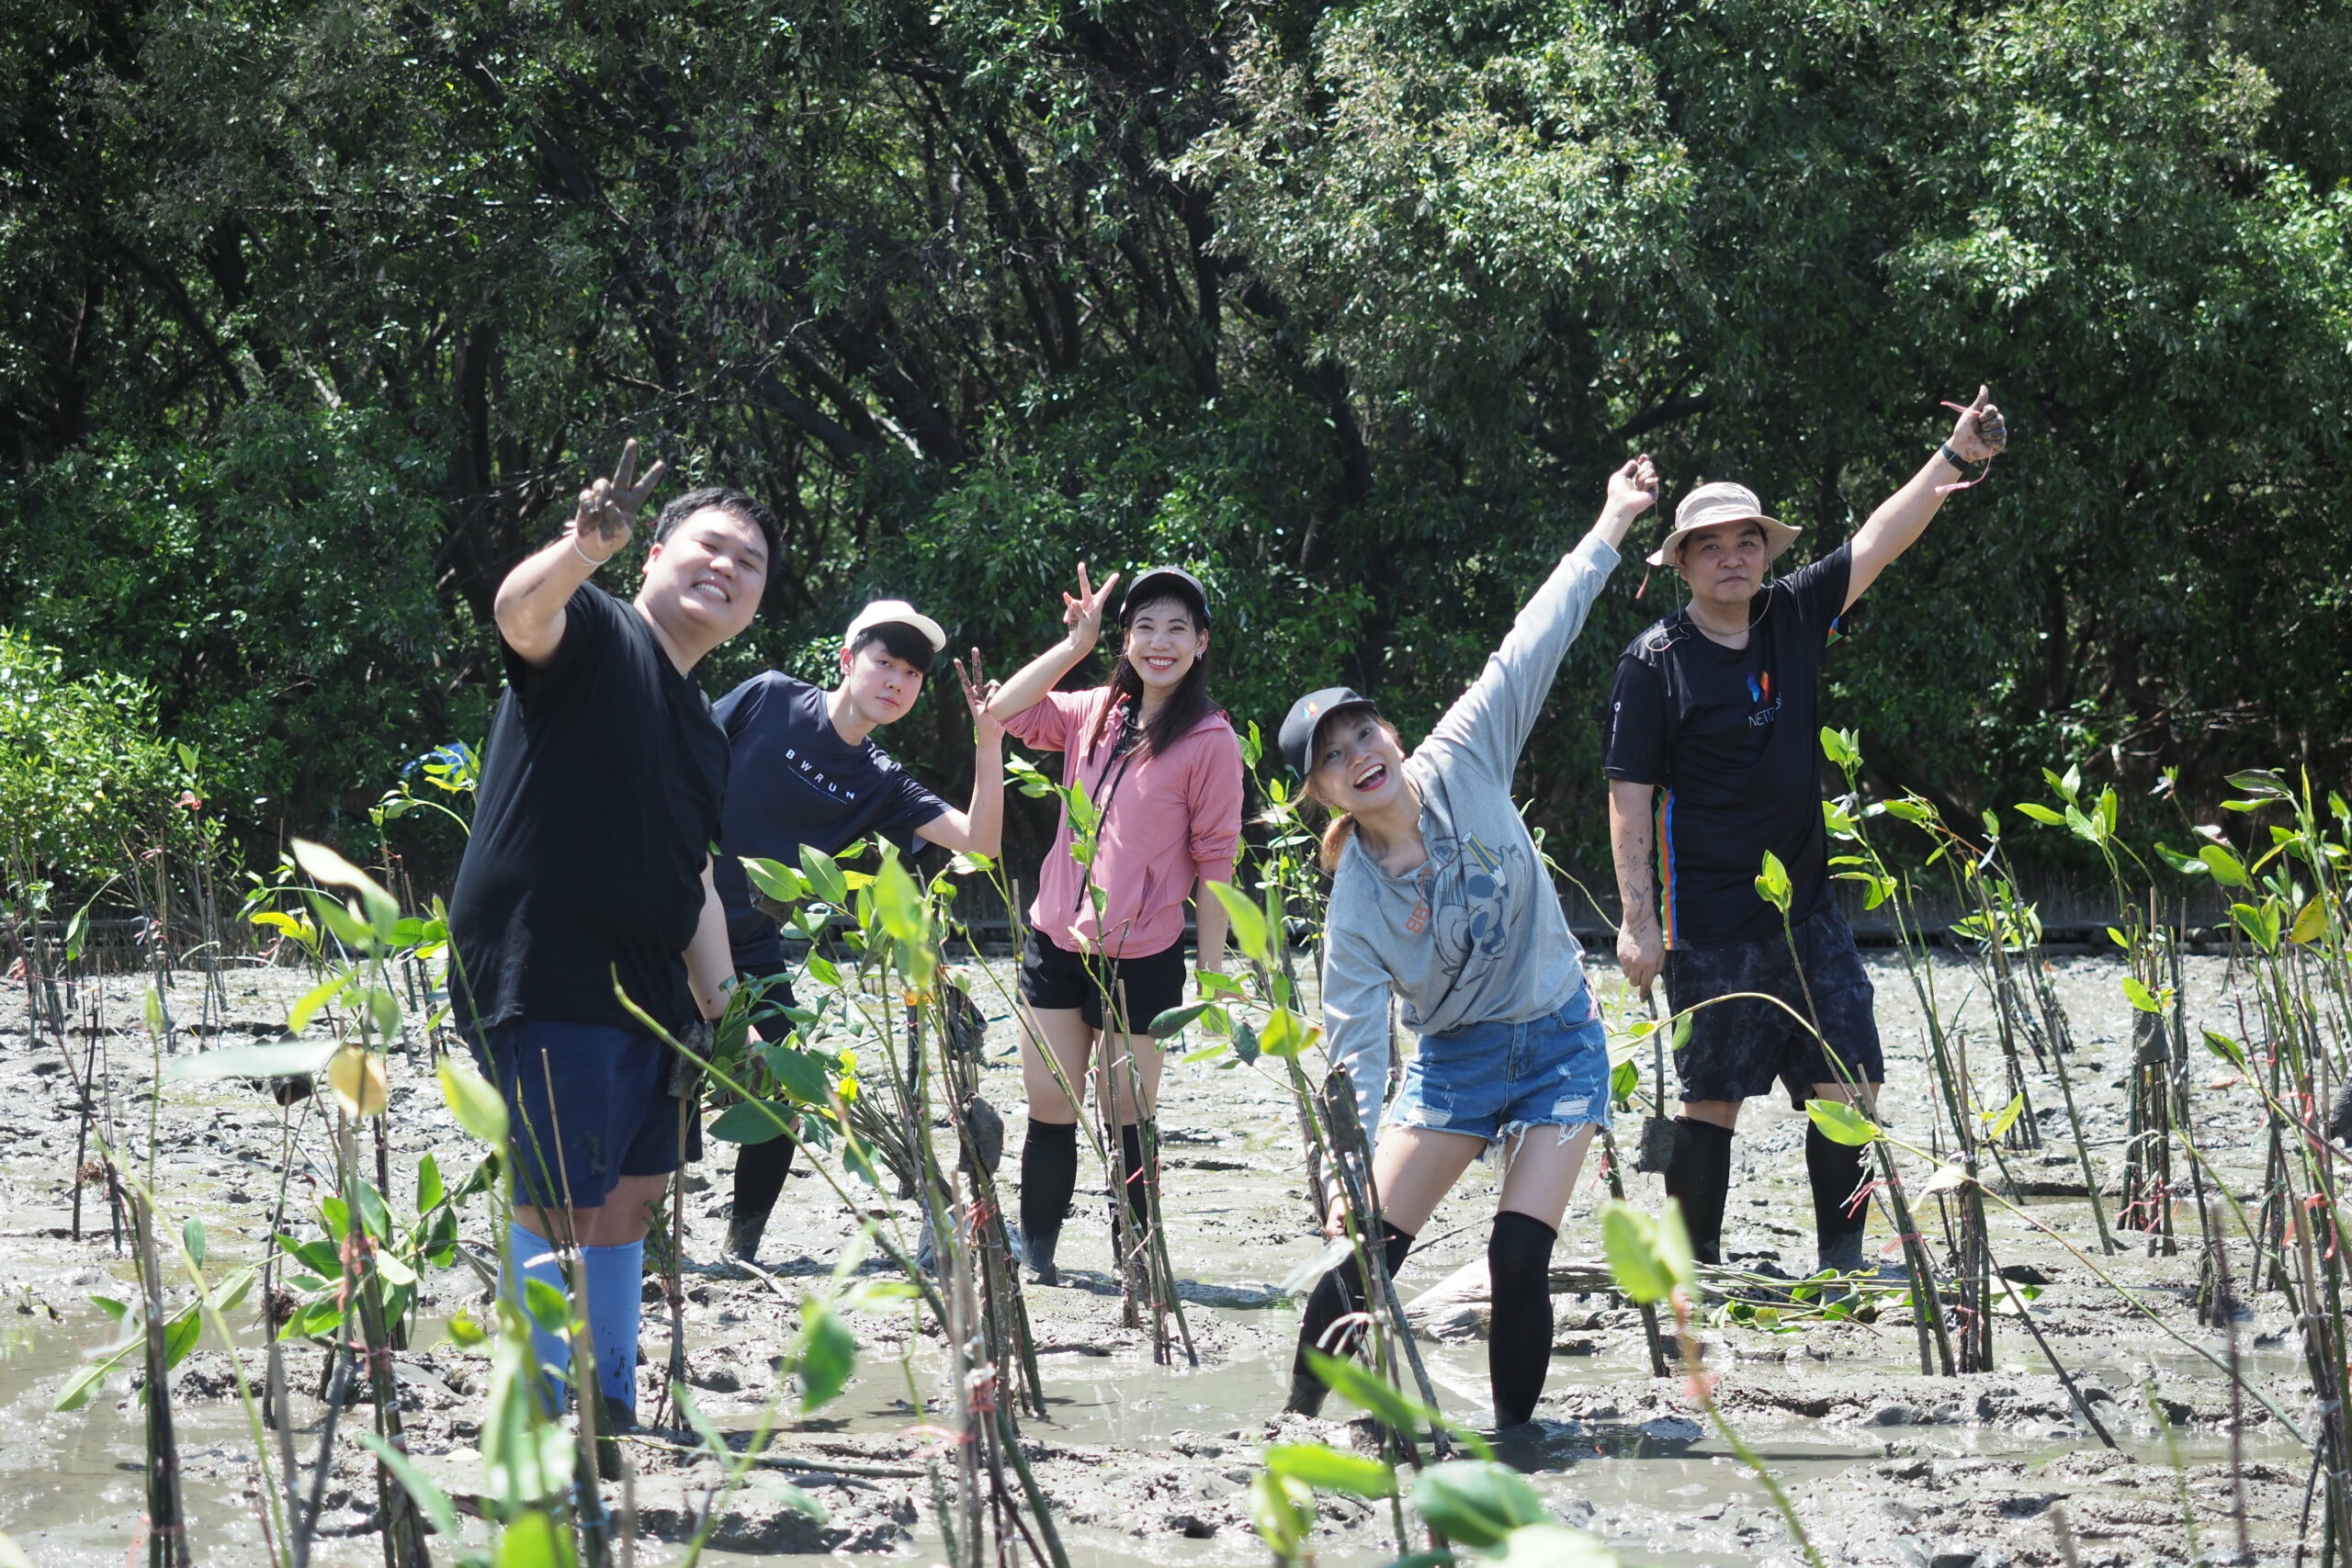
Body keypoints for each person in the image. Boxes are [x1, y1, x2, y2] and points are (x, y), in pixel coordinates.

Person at [1278, 457, 1657, 1431]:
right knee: (1364, 1253)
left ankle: (1512, 1450)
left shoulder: (1467, 752)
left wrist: (1611, 520)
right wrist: (1344, 1172)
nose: (1355, 756)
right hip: (1455, 1064)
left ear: (1392, 738)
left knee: (1518, 1257)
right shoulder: (1354, 909)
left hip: (1560, 1040)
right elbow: (1354, 1050)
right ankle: (1291, 1429)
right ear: (1318, 793)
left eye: (1362, 733)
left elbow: (1532, 639)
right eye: (1330, 757)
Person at [1603, 390, 2007, 1275]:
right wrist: (1639, 920)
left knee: (1850, 1081)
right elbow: (1629, 800)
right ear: (1684, 563)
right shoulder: (1654, 663)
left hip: (1808, 908)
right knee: (1709, 1095)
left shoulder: (1791, 614)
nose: (1733, 557)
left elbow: (1878, 539)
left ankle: (1844, 1257)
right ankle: (1694, 1265)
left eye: (1747, 540)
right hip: (1707, 917)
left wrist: (1954, 454)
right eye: (1711, 545)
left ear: (1764, 550)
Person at [447, 442, 780, 1450]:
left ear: (758, 605)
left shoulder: (707, 727)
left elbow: (693, 882)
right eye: (708, 547)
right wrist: (577, 550)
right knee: (558, 1194)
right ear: (653, 554)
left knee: (630, 1196)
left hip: (647, 989)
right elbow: (517, 613)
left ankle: (611, 1405)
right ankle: (542, 1415)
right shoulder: (593, 628)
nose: (725, 569)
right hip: (548, 960)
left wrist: (729, 1018)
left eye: (749, 564)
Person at [714, 599, 1006, 1262]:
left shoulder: (881, 780)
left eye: (910, 673)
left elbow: (981, 840)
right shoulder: (769, 697)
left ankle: (738, 1254)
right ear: (847, 661)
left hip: (752, 946)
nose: (895, 681)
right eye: (884, 662)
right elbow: (678, 759)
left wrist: (990, 738)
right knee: (654, 1087)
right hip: (666, 919)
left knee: (784, 1092)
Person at [981, 565, 1245, 1285]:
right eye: (1145, 627)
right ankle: (1038, 1262)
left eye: (1177, 628)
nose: (1160, 642)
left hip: (1143, 954)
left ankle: (1138, 1267)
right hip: (1055, 942)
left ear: (1200, 644)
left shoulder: (1213, 740)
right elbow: (1001, 710)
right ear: (1125, 639)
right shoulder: (1092, 710)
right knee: (1050, 1106)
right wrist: (1073, 646)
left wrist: (1215, 975)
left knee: (1128, 1113)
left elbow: (1216, 864)